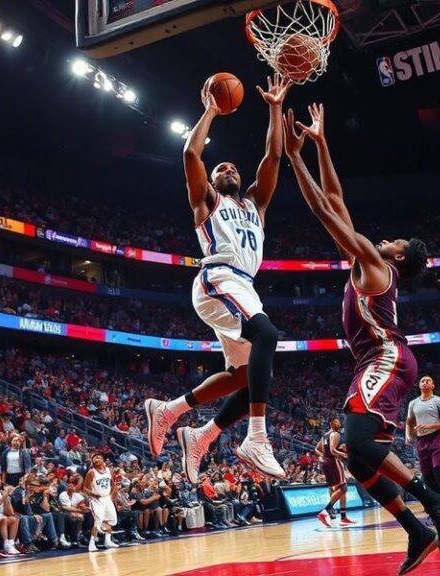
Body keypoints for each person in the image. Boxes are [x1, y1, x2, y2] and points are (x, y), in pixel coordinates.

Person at [283, 103, 440, 575]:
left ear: (398, 258)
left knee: (357, 440)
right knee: (357, 458)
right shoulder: (367, 263)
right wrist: (320, 143)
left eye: (394, 240)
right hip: (376, 362)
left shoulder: (376, 266)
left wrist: (292, 155)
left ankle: (433, 500)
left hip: (386, 356)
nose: (385, 238)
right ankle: (416, 530)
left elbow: (323, 208)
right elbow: (336, 199)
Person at [145, 74, 293, 482]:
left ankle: (184, 421)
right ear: (211, 182)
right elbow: (191, 155)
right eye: (220, 167)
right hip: (218, 278)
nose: (227, 168)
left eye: (232, 167)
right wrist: (211, 110)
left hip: (243, 286)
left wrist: (275, 109)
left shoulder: (255, 206)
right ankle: (257, 439)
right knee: (268, 335)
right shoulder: (207, 201)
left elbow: (273, 159)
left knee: (248, 378)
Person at [407, 377, 440, 497]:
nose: (425, 382)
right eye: (422, 381)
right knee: (427, 477)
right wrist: (408, 435)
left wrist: (430, 426)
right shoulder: (413, 403)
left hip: (437, 438)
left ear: (433, 386)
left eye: (428, 380)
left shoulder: (439, 401)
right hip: (421, 441)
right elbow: (409, 422)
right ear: (419, 386)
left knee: (439, 473)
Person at [314, 416, 354, 527]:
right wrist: (345, 455)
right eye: (336, 421)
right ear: (331, 423)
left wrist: (323, 456)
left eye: (339, 421)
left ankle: (343, 517)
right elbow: (332, 450)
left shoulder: (325, 435)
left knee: (339, 489)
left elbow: (316, 449)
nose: (339, 423)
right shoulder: (335, 434)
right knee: (343, 488)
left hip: (326, 463)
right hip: (333, 462)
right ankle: (326, 511)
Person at [83, 453, 118, 551]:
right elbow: (85, 488)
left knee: (110, 520)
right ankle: (92, 543)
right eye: (94, 458)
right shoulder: (91, 472)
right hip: (96, 500)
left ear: (103, 459)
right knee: (98, 521)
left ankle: (108, 541)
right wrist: (94, 494)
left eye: (98, 457)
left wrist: (112, 496)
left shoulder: (109, 471)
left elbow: (113, 485)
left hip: (107, 498)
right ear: (92, 462)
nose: (96, 459)